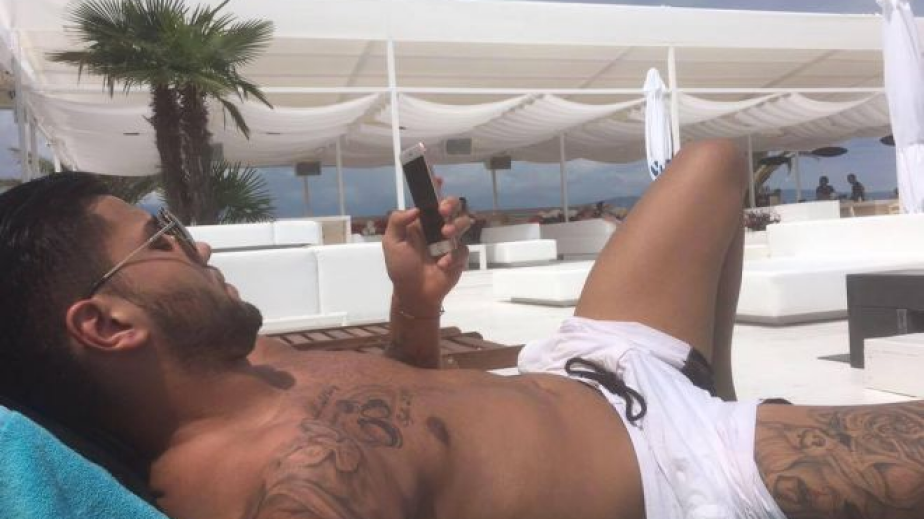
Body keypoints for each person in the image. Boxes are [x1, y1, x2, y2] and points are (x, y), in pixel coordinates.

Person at [1, 140, 923, 519]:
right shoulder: (294, 491)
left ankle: (721, 395)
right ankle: (742, 446)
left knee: (714, 164)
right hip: (672, 461)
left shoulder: (239, 359)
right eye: (161, 237)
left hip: (584, 365)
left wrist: (417, 303)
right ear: (107, 322)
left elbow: (398, 410)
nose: (196, 243)